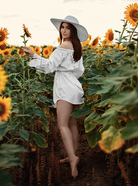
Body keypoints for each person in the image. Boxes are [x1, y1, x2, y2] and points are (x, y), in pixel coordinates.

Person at [23, 15, 88, 179]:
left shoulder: (64, 45)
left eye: (67, 28)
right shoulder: (76, 46)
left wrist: (33, 56)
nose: (64, 30)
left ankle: (73, 158)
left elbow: (50, 67)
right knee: (73, 125)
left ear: (72, 31)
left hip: (65, 88)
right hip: (75, 87)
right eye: (62, 27)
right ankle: (72, 155)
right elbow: (80, 71)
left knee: (62, 125)